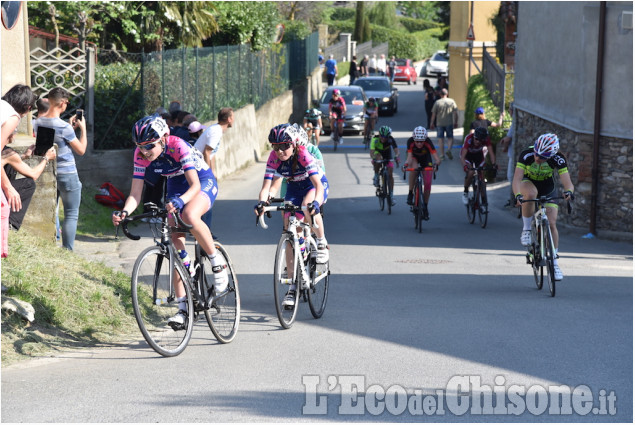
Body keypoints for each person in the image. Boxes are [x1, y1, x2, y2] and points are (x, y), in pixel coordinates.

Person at [113, 114, 226, 328]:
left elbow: (194, 187)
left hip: (201, 182)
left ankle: (216, 262)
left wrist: (180, 201)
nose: (144, 151)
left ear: (164, 138)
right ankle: (183, 309)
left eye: (149, 146)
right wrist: (125, 212)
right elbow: (136, 194)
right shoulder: (140, 154)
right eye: (140, 146)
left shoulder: (178, 146)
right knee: (176, 250)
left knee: (189, 215)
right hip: (175, 184)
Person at [254, 123, 329, 307]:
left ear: (294, 144)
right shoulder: (274, 158)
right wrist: (264, 202)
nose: (279, 151)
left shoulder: (303, 153)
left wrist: (316, 204)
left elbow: (318, 186)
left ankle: (321, 243)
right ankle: (292, 287)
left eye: (284, 146)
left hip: (313, 185)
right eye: (275, 146)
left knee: (306, 207)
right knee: (289, 230)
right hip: (295, 187)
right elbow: (269, 187)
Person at [513, 133, 574, 281]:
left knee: (552, 223)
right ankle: (526, 229)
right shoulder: (526, 154)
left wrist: (569, 192)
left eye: (542, 157)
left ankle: (554, 262)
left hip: (547, 187)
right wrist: (518, 195)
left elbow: (568, 183)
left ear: (551, 155)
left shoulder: (558, 159)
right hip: (528, 182)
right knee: (531, 193)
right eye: (536, 154)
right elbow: (517, 179)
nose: (537, 158)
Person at [33, 87, 87, 251]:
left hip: (48, 171)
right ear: (63, 103)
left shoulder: (37, 123)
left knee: (52, 210)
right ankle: (67, 251)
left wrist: (69, 127)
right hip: (67, 175)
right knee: (71, 214)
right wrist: (83, 129)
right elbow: (81, 150)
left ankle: (51, 245)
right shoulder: (65, 127)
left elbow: (53, 135)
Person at [1, 84, 38, 258]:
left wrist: (23, 156)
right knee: (3, 209)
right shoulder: (12, 116)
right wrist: (8, 188)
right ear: (28, 108)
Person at [193, 107, 234, 231]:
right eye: (233, 117)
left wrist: (213, 172)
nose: (234, 120)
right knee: (207, 198)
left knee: (204, 197)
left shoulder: (217, 130)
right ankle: (205, 231)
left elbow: (211, 154)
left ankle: (202, 229)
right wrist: (208, 174)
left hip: (200, 166)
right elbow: (206, 152)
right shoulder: (216, 131)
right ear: (228, 119)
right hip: (197, 167)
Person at [2, 141, 56, 231]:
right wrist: (46, 158)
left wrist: (24, 156)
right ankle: (11, 224)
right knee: (28, 184)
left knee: (10, 167)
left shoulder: (4, 151)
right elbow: (34, 174)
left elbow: (7, 160)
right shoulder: (8, 152)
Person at [405, 126, 441, 220]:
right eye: (417, 141)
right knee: (415, 168)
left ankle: (425, 206)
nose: (419, 143)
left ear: (425, 140)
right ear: (414, 139)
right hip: (414, 158)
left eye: (422, 141)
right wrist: (405, 165)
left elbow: (437, 158)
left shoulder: (428, 142)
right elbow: (409, 157)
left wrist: (436, 165)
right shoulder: (410, 141)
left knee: (428, 183)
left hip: (426, 159)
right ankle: (410, 193)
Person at [460, 127, 496, 205]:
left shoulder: (486, 139)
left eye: (480, 140)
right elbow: (463, 157)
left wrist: (493, 164)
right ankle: (465, 192)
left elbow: (491, 152)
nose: (477, 141)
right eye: (476, 139)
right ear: (474, 136)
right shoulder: (469, 138)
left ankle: (483, 201)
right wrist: (465, 166)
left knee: (482, 177)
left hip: (478, 155)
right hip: (467, 155)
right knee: (471, 172)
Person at [370, 125, 400, 205]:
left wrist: (396, 156)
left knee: (390, 174)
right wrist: (373, 158)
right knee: (378, 159)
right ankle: (376, 175)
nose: (383, 138)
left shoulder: (390, 139)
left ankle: (391, 195)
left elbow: (396, 150)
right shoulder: (375, 139)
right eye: (381, 136)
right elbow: (372, 152)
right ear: (379, 134)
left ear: (388, 136)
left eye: (385, 137)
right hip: (378, 152)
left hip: (387, 153)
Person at [430, 88, 458, 160]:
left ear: (440, 94)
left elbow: (433, 114)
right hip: (449, 122)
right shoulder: (451, 101)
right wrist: (456, 122)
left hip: (439, 123)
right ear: (447, 94)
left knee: (440, 139)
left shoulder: (437, 102)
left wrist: (432, 123)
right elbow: (455, 113)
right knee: (450, 137)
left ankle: (442, 155)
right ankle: (448, 150)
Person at [499, 102, 516, 206]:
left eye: (509, 110)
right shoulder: (515, 121)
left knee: (511, 176)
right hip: (513, 153)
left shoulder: (514, 121)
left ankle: (513, 198)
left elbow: (508, 139)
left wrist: (504, 146)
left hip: (512, 154)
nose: (509, 112)